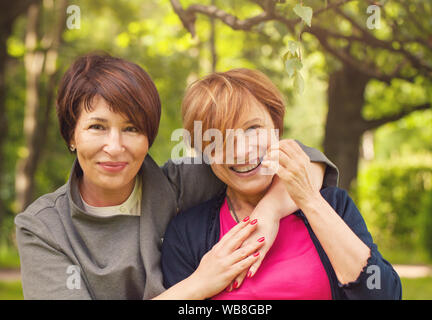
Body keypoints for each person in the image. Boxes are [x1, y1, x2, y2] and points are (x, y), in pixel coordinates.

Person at [14, 54, 338, 299]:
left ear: (148, 139)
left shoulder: (179, 183)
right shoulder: (43, 228)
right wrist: (197, 285)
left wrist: (268, 213)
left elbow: (307, 162)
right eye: (97, 127)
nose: (114, 147)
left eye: (132, 129)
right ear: (71, 135)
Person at [161, 68, 402, 299]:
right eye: (221, 138)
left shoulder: (332, 204)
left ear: (276, 127)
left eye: (252, 128)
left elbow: (384, 294)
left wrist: (309, 200)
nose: (243, 150)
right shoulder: (187, 233)